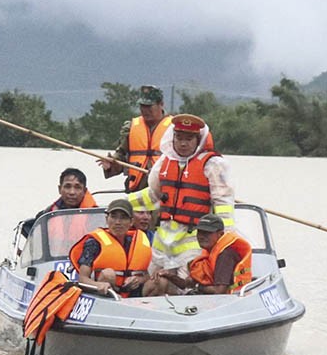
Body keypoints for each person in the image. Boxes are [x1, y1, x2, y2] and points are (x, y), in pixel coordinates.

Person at [129, 114, 235, 296]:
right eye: (179, 137)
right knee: (154, 283)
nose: (183, 143)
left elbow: (223, 205)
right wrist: (124, 204)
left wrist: (225, 240)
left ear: (198, 140)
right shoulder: (164, 161)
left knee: (186, 289)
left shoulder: (213, 165)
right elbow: (152, 195)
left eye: (189, 138)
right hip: (163, 243)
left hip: (194, 241)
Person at [69, 199, 152, 297]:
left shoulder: (140, 241)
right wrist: (98, 284)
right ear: (107, 219)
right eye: (113, 217)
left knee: (161, 282)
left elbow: (148, 275)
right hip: (106, 294)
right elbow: (82, 278)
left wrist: (138, 280)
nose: (118, 222)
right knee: (108, 274)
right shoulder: (94, 242)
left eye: (123, 218)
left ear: (131, 222)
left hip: (134, 294)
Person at [154, 213, 252, 295]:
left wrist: (198, 287)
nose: (201, 237)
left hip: (228, 304)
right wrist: (168, 275)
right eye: (199, 232)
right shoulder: (208, 253)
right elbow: (185, 284)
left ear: (220, 234)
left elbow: (219, 291)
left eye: (207, 233)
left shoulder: (225, 255)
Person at [99, 85, 173, 192]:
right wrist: (111, 164)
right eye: (142, 106)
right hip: (137, 190)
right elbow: (121, 156)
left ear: (161, 104)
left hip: (164, 191)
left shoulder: (174, 128)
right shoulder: (130, 127)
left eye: (149, 106)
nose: (145, 110)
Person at [21, 167, 97, 239]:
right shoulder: (45, 216)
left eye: (77, 187)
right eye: (67, 186)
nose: (72, 192)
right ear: (60, 189)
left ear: (84, 191)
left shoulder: (96, 217)